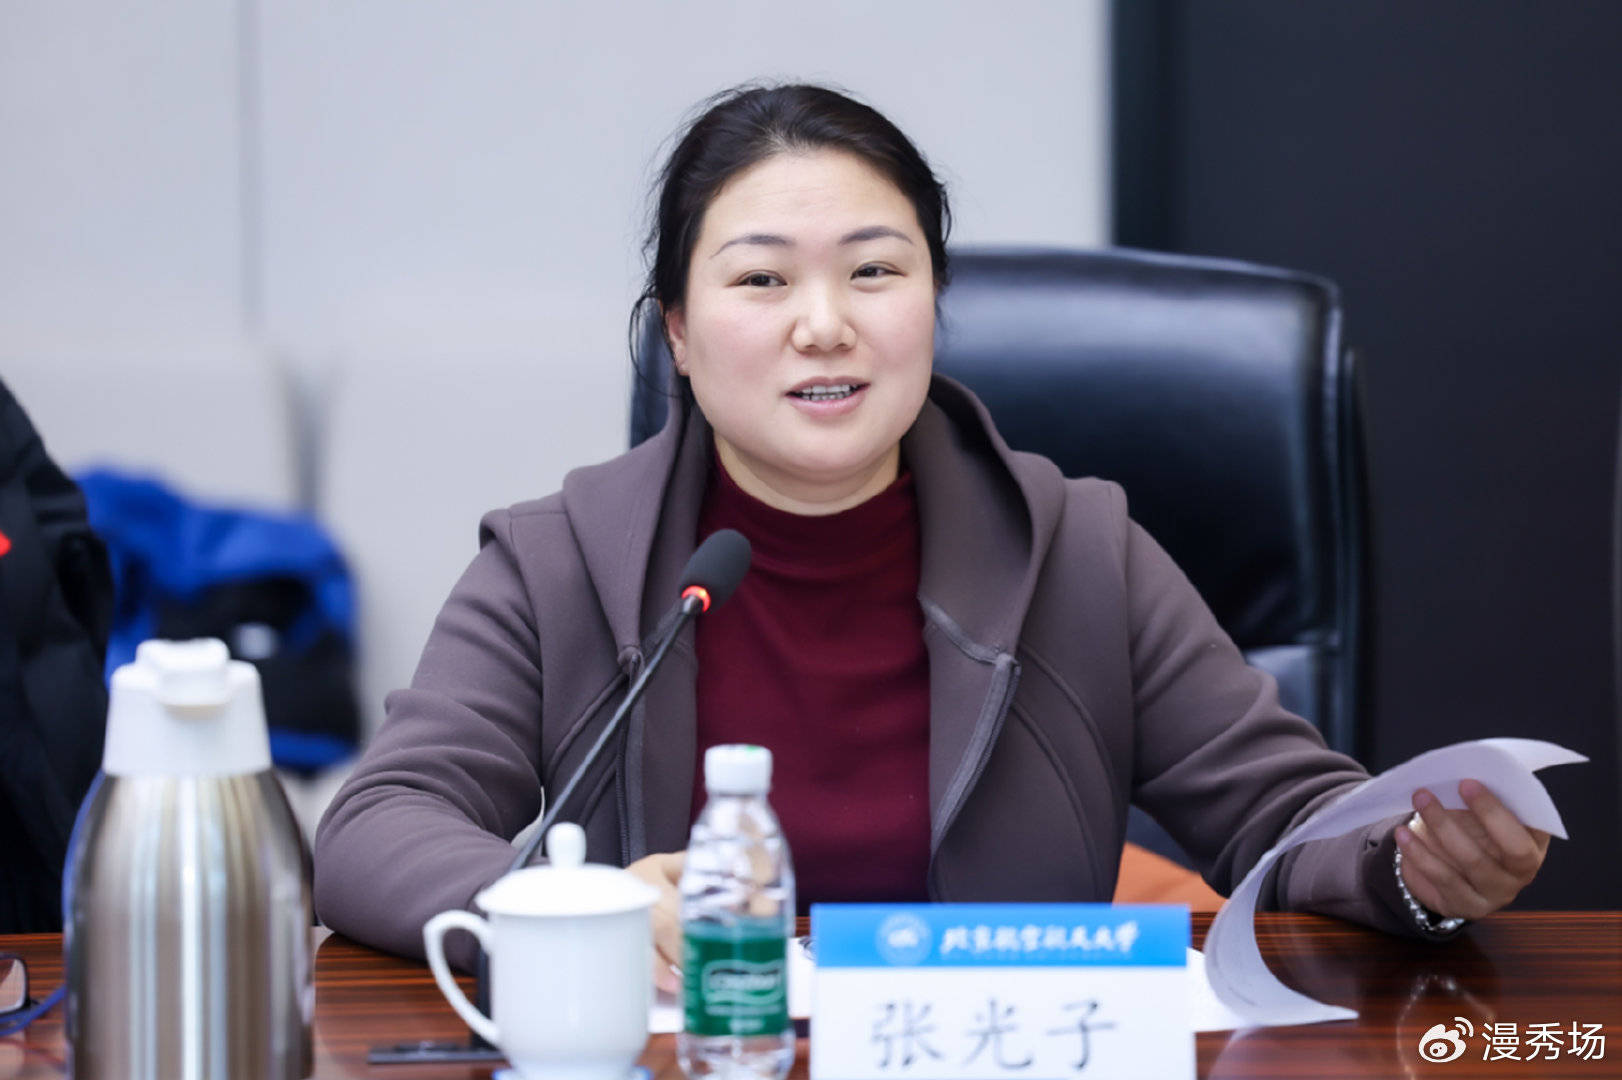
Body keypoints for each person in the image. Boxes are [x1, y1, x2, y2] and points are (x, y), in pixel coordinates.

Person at [312, 83, 1550, 988]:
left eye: (873, 271)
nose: (823, 324)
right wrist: (561, 907)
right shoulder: (560, 561)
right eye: (760, 280)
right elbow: (375, 830)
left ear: (932, 304)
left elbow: (1285, 815)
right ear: (677, 335)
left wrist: (1411, 867)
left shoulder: (1076, 549)